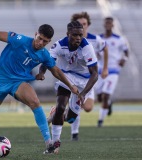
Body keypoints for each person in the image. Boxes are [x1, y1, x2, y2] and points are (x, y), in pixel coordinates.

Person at [0, 24, 79, 154]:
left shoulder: (44, 54)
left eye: (45, 41)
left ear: (49, 41)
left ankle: (48, 142)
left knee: (35, 101)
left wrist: (70, 85)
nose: (40, 43)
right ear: (35, 34)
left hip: (18, 82)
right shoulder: (20, 40)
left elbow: (55, 70)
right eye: (39, 38)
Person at [39, 21, 98, 153]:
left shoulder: (87, 47)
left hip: (83, 82)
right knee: (61, 106)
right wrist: (42, 72)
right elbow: (47, 61)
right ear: (68, 34)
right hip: (66, 78)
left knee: (71, 118)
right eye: (75, 35)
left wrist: (83, 94)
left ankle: (55, 115)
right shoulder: (59, 45)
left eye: (80, 35)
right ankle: (54, 144)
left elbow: (95, 74)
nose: (78, 38)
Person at [68, 12, 109, 140]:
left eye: (84, 24)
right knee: (77, 104)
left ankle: (64, 112)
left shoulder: (95, 39)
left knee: (88, 108)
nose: (83, 26)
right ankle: (74, 133)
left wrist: (105, 68)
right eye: (80, 24)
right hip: (74, 78)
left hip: (89, 79)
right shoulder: (70, 41)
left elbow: (105, 48)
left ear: (88, 25)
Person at [96, 17, 129, 127]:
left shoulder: (119, 39)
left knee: (106, 95)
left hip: (113, 71)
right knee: (100, 97)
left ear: (113, 25)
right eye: (106, 23)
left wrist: (124, 59)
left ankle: (100, 121)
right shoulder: (99, 39)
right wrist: (96, 55)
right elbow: (94, 51)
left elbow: (126, 52)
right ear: (104, 25)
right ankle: (109, 104)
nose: (108, 25)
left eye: (110, 23)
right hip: (100, 70)